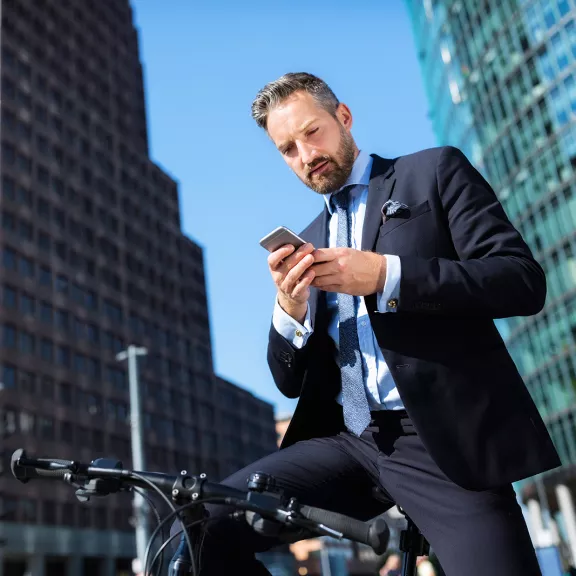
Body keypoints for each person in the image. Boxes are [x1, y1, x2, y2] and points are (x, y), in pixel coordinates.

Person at [171, 72, 561, 575]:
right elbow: (287, 381)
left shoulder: (433, 172)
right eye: (288, 149)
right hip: (348, 443)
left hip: (439, 442)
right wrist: (289, 310)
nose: (306, 155)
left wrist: (385, 275)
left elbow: (520, 280)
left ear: (345, 118)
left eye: (313, 132)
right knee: (207, 526)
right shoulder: (307, 241)